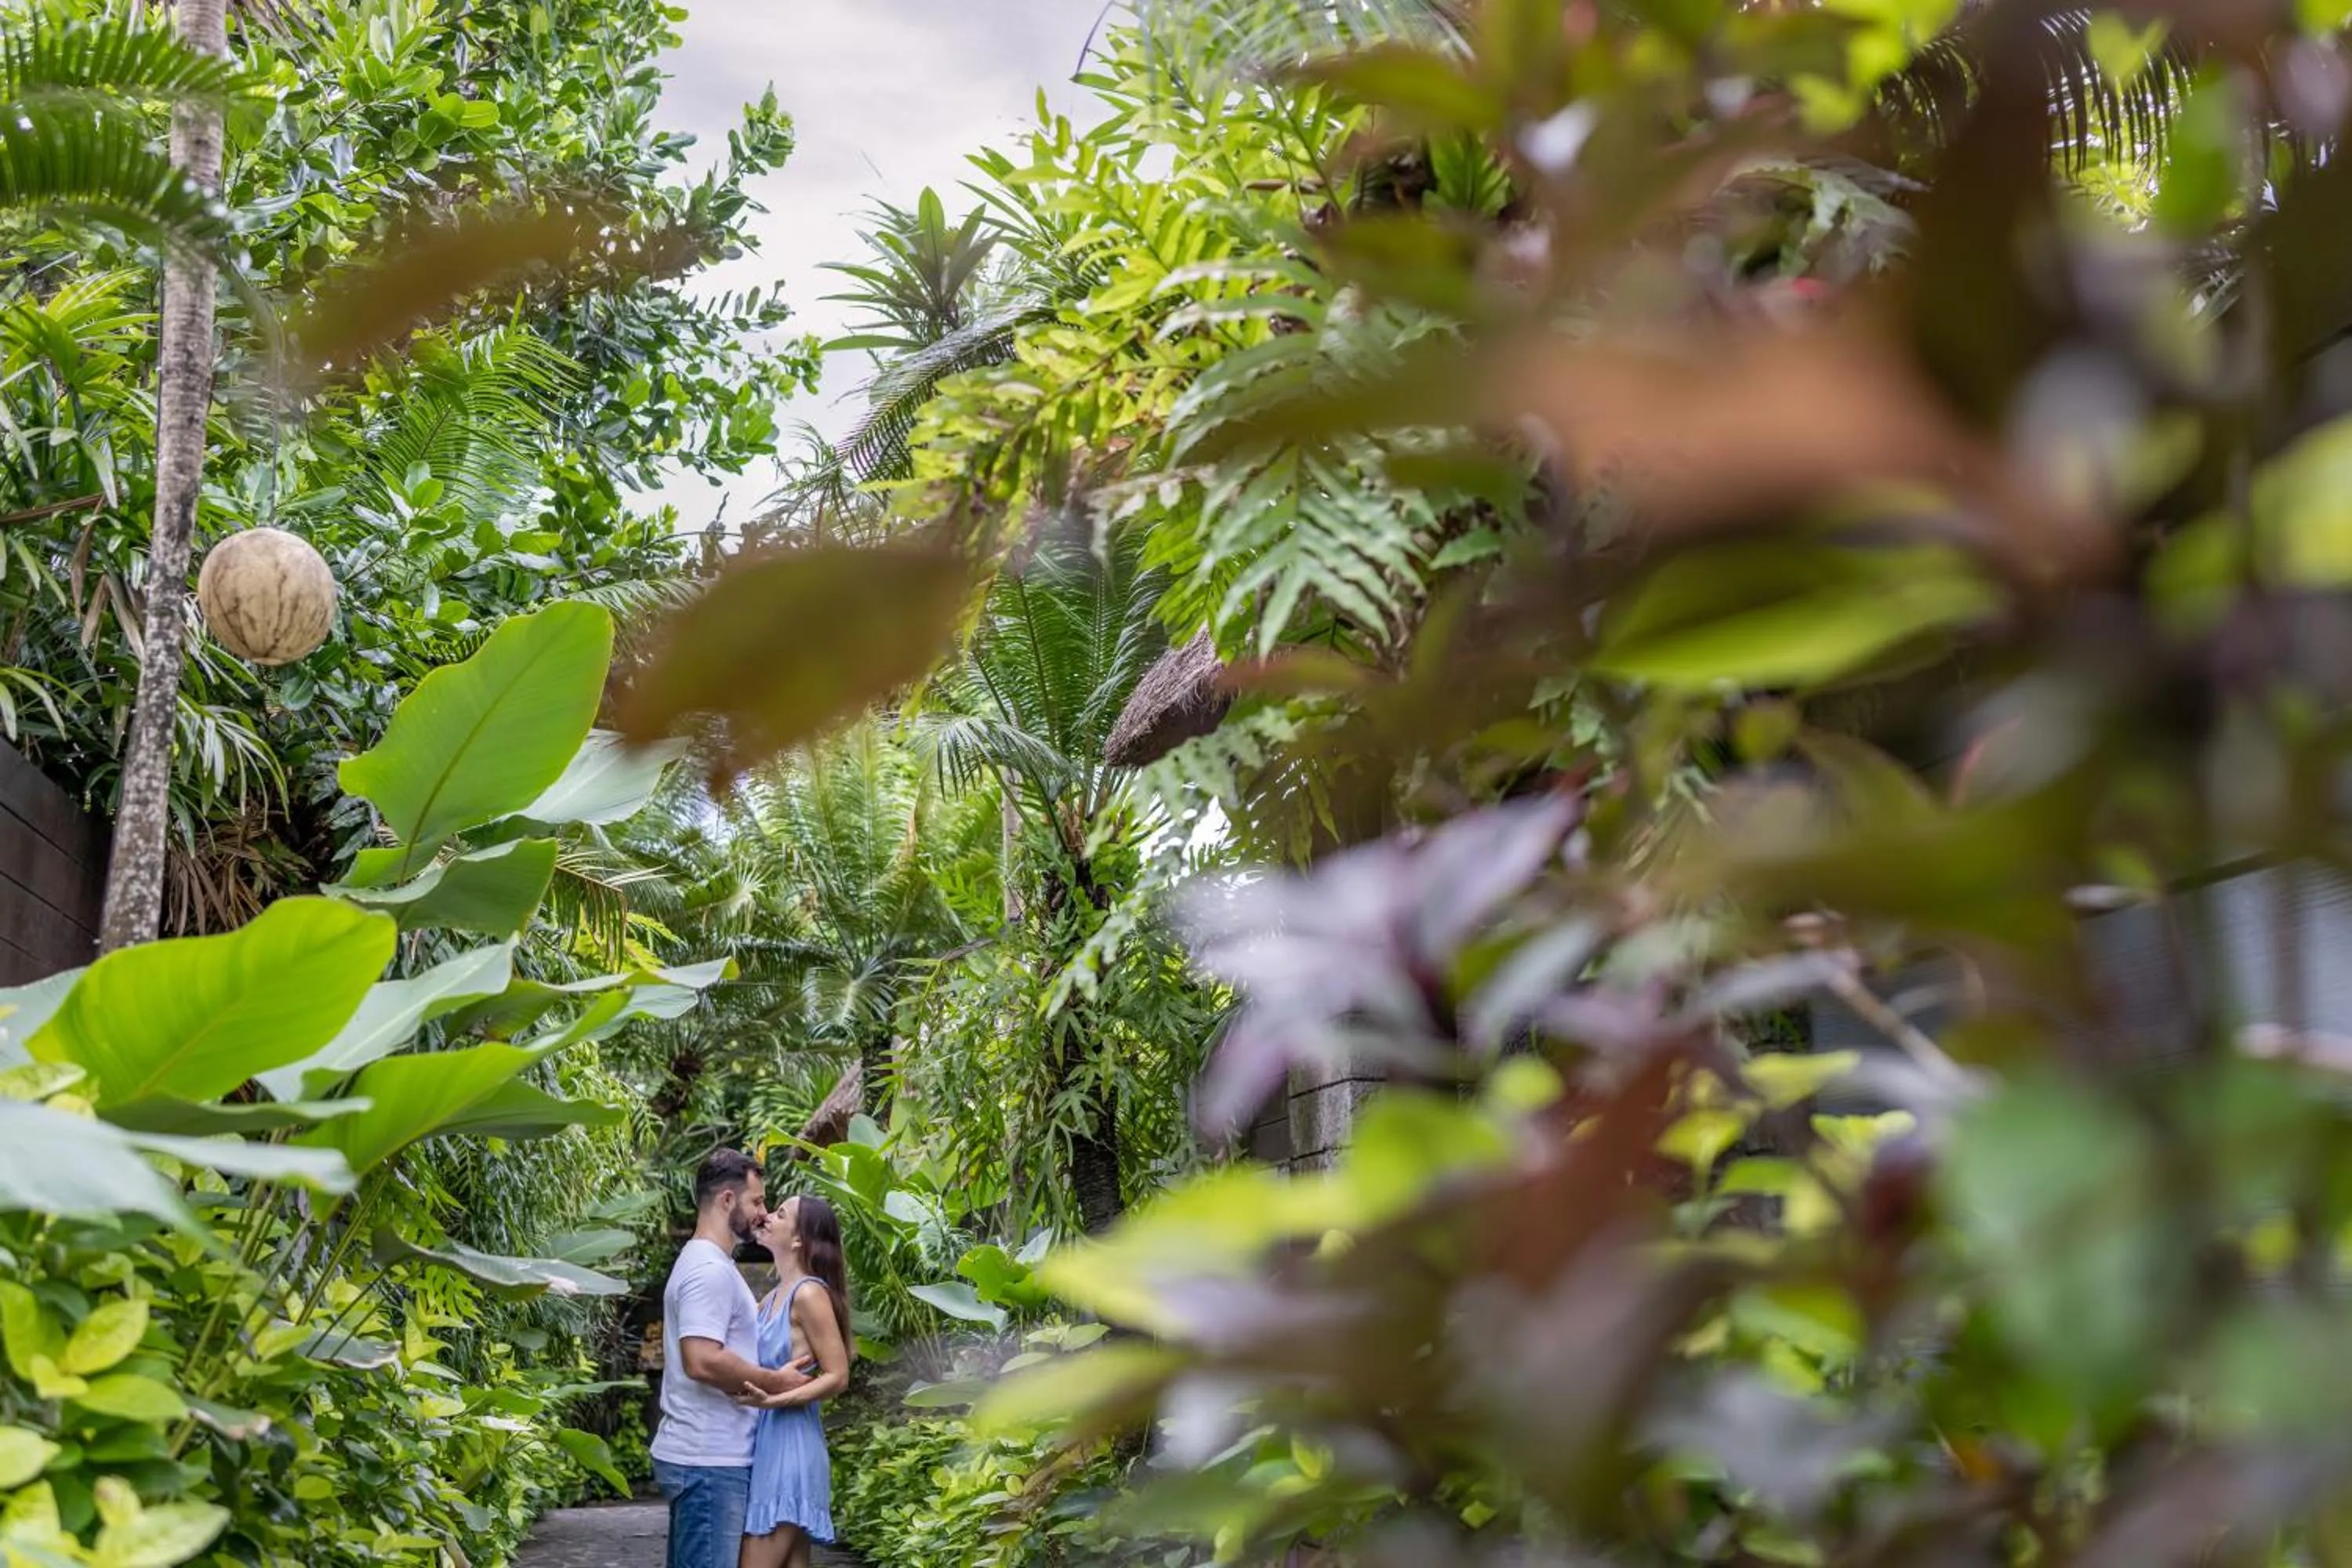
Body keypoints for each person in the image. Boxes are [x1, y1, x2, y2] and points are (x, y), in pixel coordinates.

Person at [652, 1150, 811, 1568]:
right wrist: (776, 1382)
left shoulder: (709, 1264)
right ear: (727, 1200)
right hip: (709, 1460)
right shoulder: (709, 1270)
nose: (762, 1212)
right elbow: (702, 1360)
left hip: (707, 1457)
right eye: (756, 1201)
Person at [734, 1193, 853, 1568]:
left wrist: (774, 1400)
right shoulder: (772, 1297)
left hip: (791, 1445)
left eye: (781, 1214)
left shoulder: (809, 1293)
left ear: (799, 1239)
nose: (768, 1216)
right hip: (772, 1443)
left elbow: (838, 1375)